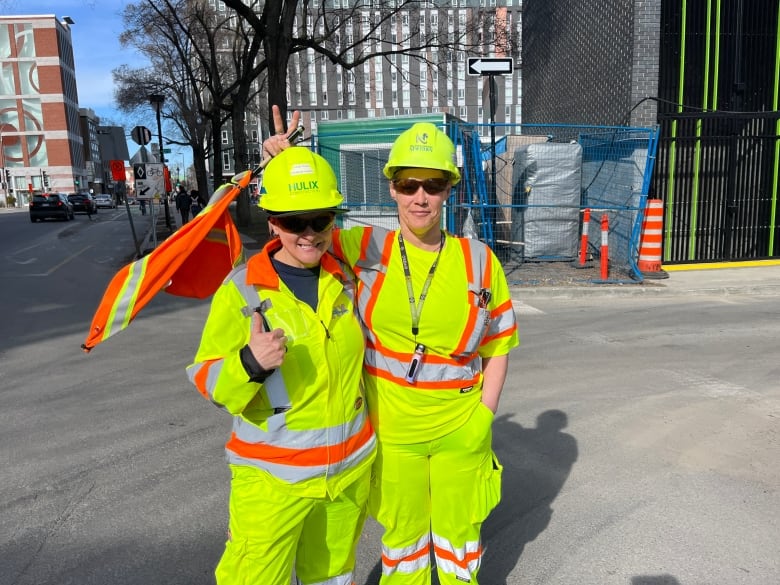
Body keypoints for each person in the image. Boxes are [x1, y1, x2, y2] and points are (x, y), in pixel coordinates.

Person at [264, 108, 519, 585]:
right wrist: (284, 169)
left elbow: (499, 345)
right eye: (408, 185)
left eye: (433, 185)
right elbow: (297, 230)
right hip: (393, 434)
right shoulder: (363, 247)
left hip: (461, 432)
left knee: (460, 548)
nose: (420, 197)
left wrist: (484, 417)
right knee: (403, 548)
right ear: (392, 188)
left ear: (449, 188)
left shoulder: (480, 262)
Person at [186, 145, 375, 585]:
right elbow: (206, 376)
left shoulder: (347, 277)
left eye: (320, 219)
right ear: (273, 222)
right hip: (272, 481)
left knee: (331, 579)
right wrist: (249, 363)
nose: (309, 233)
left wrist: (293, 160)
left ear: (334, 218)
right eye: (293, 221)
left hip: (345, 478)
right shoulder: (242, 292)